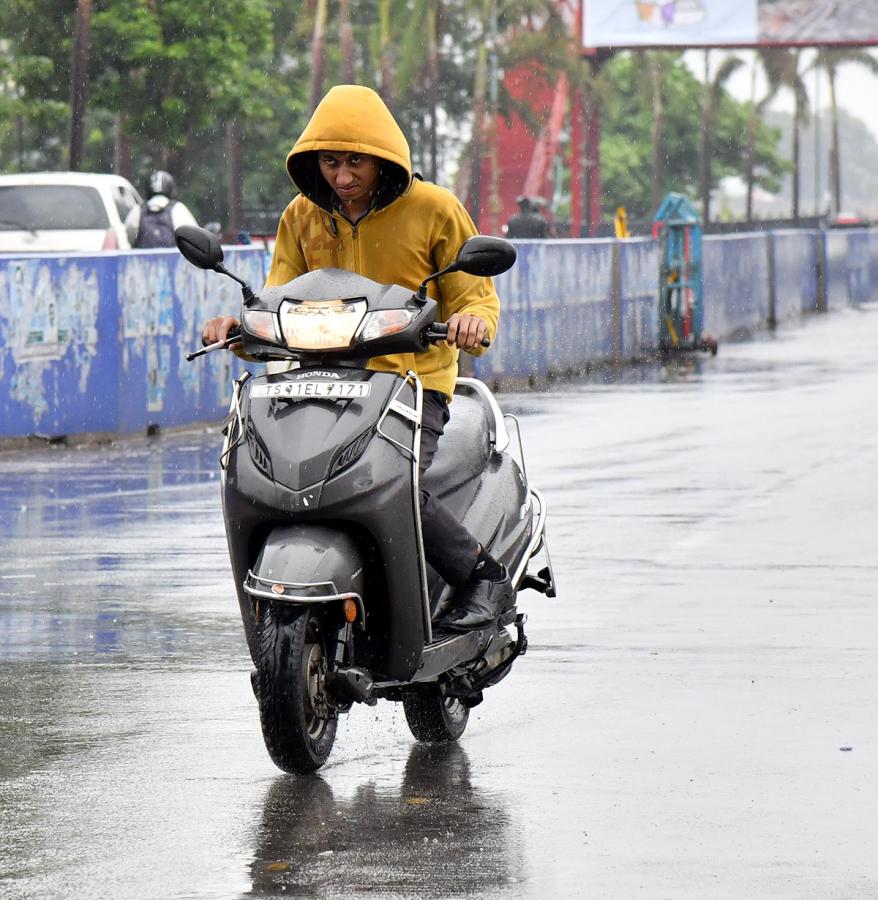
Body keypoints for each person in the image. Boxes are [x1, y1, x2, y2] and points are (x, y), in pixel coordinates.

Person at [201, 84, 512, 632]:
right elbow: (278, 298)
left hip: (413, 383)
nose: (342, 177)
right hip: (319, 380)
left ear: (383, 160)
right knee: (270, 478)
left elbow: (475, 296)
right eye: (330, 162)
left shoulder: (435, 209)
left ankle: (481, 576)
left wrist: (472, 323)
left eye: (355, 162)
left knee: (393, 481)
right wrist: (240, 328)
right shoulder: (301, 216)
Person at [125, 170, 197, 249]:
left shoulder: (138, 209)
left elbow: (130, 233)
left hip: (143, 260)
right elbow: (193, 237)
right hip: (173, 259)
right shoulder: (178, 208)